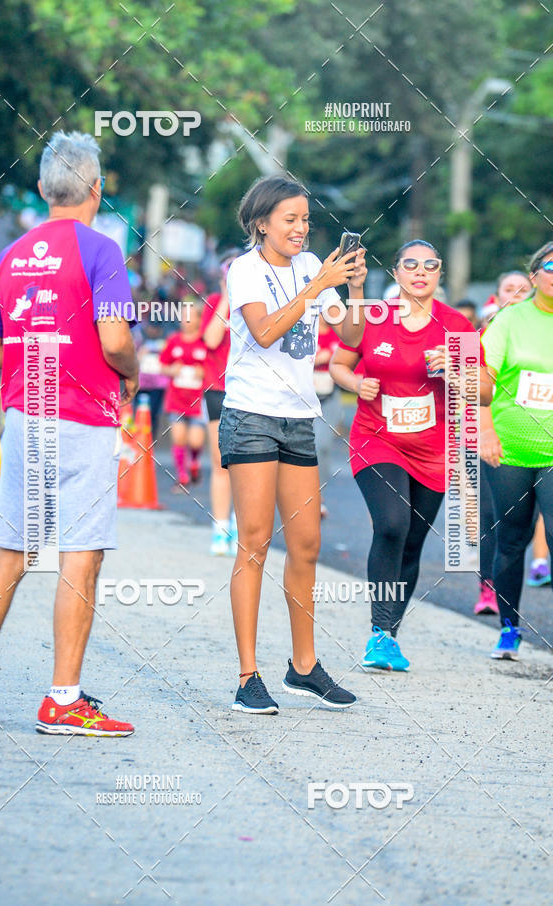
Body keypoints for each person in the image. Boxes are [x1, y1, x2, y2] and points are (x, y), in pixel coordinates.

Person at [0, 131, 139, 735]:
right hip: (83, 417)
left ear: (41, 190)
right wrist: (131, 375)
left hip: (25, 415)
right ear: (98, 187)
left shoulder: (12, 254)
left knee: (12, 549)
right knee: (79, 556)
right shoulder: (101, 250)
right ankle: (62, 698)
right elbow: (115, 339)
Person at [219, 174, 367, 714]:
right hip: (252, 415)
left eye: (306, 219)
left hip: (299, 418)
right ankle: (247, 675)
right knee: (254, 541)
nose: (302, 229)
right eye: (290, 219)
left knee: (306, 543)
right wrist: (313, 286)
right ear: (262, 222)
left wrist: (350, 289)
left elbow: (350, 338)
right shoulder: (245, 269)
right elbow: (263, 332)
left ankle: (303, 667)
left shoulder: (312, 267)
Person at [330, 240, 477, 672]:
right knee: (392, 524)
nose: (420, 271)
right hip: (378, 439)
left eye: (429, 265)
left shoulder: (456, 327)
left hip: (433, 451)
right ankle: (378, 631)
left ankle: (390, 635)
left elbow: (482, 391)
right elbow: (340, 363)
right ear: (396, 273)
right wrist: (356, 385)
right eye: (410, 264)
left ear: (439, 274)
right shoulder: (375, 317)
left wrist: (455, 367)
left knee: (412, 541)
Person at [480, 242, 553, 659]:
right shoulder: (510, 319)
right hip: (509, 449)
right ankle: (509, 629)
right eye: (550, 265)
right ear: (534, 276)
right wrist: (486, 432)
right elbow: (482, 381)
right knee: (511, 538)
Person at [475, 270, 533, 615]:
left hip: (535, 439)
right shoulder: (482, 334)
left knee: (527, 524)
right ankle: (488, 588)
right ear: (496, 296)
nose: (515, 293)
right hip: (488, 438)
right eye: (508, 288)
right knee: (491, 518)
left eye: (520, 289)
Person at [201, 249, 240, 555]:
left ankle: (243, 523)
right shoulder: (215, 304)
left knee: (249, 463)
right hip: (218, 389)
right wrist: (227, 296)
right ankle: (220, 527)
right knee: (220, 462)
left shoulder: (258, 303)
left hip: (250, 391)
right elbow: (212, 340)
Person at [159, 296, 207, 490]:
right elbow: (162, 365)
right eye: (183, 316)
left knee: (195, 441)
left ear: (198, 319)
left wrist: (202, 373)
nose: (185, 320)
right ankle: (182, 475)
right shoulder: (173, 341)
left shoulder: (205, 342)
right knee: (178, 438)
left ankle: (194, 461)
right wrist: (172, 370)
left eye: (190, 316)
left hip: (197, 400)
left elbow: (214, 369)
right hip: (176, 398)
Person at [313, 313, 342, 518]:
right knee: (307, 446)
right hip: (305, 396)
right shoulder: (307, 333)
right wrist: (317, 360)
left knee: (321, 446)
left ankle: (318, 495)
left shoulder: (337, 336)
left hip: (329, 397)